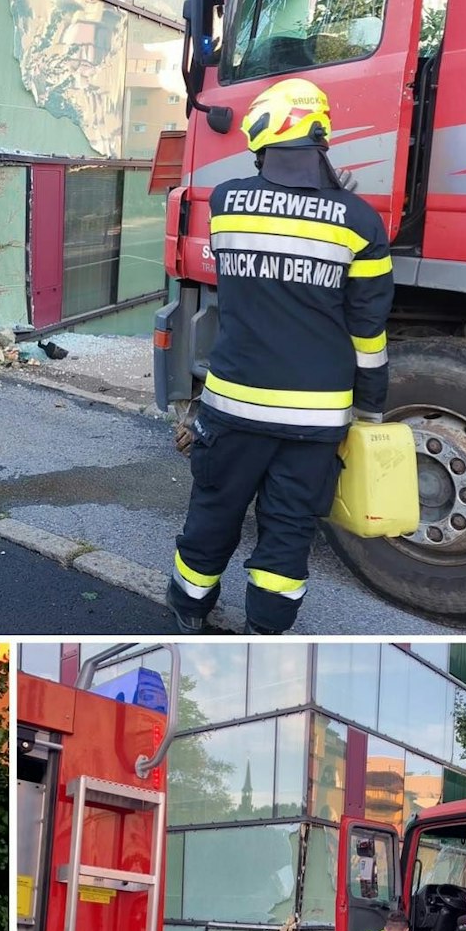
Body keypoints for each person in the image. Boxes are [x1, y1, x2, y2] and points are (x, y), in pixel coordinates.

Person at [166, 76, 394, 634]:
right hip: (317, 417)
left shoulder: (226, 203)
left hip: (234, 405)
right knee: (290, 528)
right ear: (321, 138)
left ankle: (189, 609)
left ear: (261, 135)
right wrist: (371, 410)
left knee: (214, 511)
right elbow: (369, 332)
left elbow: (238, 276)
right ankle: (266, 630)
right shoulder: (362, 223)